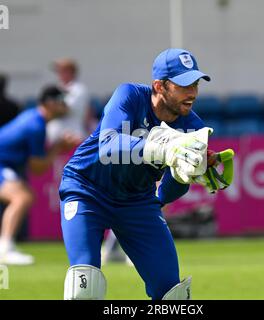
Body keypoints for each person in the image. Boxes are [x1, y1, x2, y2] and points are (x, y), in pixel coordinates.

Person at [60, 48, 233, 300]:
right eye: (184, 85)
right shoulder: (129, 95)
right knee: (83, 289)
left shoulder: (193, 127)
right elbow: (108, 144)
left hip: (136, 201)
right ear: (159, 86)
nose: (192, 93)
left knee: (171, 295)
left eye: (195, 84)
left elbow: (165, 193)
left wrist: (185, 174)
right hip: (87, 189)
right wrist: (164, 148)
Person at [0, 85, 77, 265]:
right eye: (61, 102)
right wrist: (58, 148)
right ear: (50, 103)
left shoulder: (34, 119)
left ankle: (5, 246)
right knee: (22, 198)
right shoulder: (36, 125)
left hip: (5, 165)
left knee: (25, 196)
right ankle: (4, 248)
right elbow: (37, 168)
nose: (66, 106)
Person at [47, 58, 91, 144]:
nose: (59, 73)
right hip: (55, 138)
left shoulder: (79, 89)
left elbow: (63, 110)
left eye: (62, 70)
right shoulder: (57, 87)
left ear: (71, 72)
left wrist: (49, 109)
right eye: (58, 71)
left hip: (72, 138)